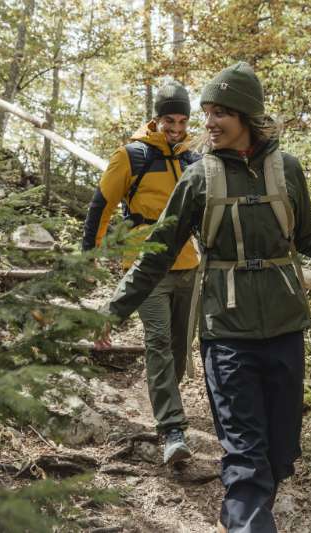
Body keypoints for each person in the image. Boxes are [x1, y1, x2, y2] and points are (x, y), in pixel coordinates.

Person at [98, 62, 311, 532]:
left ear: (247, 116)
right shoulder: (198, 178)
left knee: (280, 454)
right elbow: (156, 254)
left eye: (220, 113)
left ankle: (249, 514)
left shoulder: (287, 169)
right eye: (206, 113)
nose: (208, 123)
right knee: (246, 458)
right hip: (226, 334)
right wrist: (114, 309)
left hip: (286, 328)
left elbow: (307, 237)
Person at [82, 80, 200, 465]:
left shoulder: (193, 160)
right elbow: (101, 205)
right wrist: (90, 256)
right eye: (170, 120)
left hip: (189, 265)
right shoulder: (131, 156)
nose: (176, 128)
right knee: (159, 341)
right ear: (156, 118)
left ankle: (167, 402)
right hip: (146, 264)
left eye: (182, 121)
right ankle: (172, 430)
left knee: (180, 349)